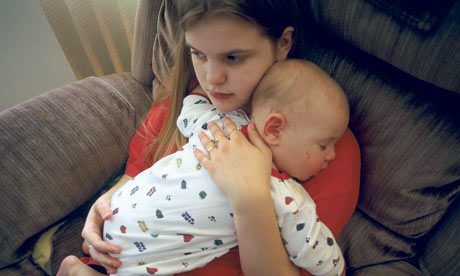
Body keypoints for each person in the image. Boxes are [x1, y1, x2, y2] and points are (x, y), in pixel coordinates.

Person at [59, 1, 361, 275]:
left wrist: (250, 197)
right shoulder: (187, 106)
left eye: (233, 57)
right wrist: (99, 210)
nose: (212, 78)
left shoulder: (319, 147)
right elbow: (133, 177)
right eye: (198, 54)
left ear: (283, 43)